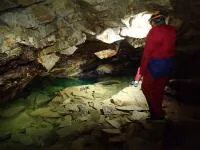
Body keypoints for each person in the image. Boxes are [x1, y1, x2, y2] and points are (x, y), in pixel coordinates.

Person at [132, 11, 176, 119]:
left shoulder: (154, 31)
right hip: (168, 64)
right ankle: (159, 111)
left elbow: (147, 53)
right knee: (159, 90)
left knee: (146, 89)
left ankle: (156, 113)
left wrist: (142, 71)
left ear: (153, 22)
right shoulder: (172, 30)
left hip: (155, 64)